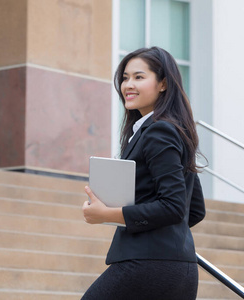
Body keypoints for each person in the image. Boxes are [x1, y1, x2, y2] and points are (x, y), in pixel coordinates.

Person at [81, 46, 206, 300]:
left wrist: (109, 214)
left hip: (148, 266)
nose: (128, 84)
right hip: (179, 269)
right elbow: (194, 209)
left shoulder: (159, 132)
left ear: (163, 84)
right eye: (125, 77)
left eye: (139, 77)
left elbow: (173, 207)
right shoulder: (172, 130)